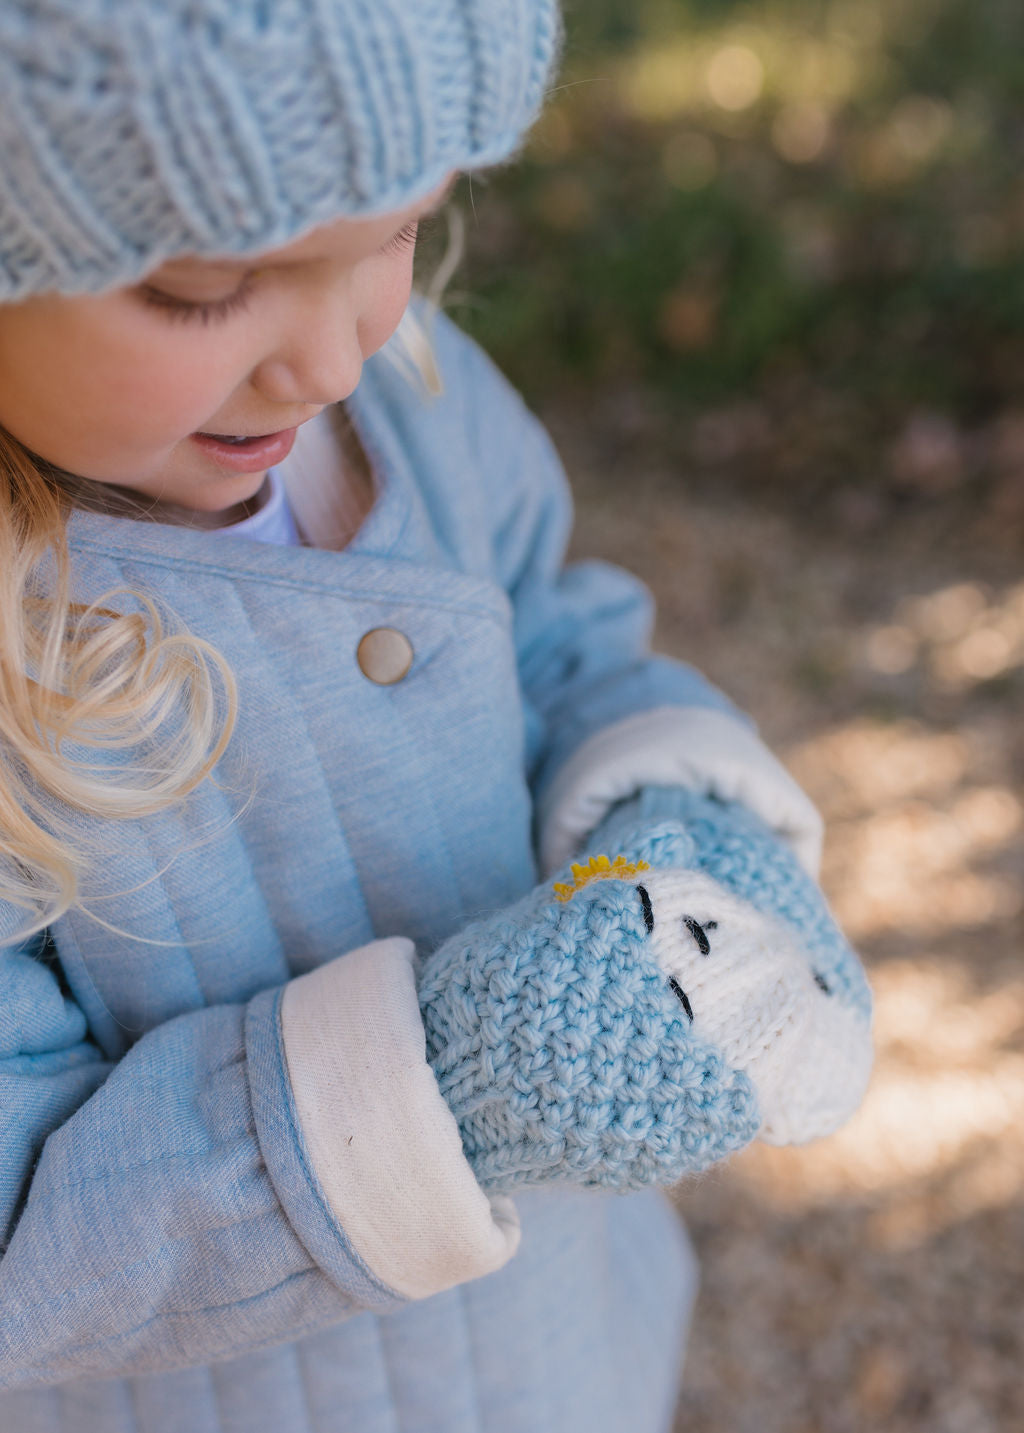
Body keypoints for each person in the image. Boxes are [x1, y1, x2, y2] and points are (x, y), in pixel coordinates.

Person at [0, 3, 872, 1431]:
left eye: (397, 231)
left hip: (553, 1352)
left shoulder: (414, 397)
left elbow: (562, 631)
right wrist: (451, 1093)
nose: (329, 361)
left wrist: (687, 819)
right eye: (205, 287)